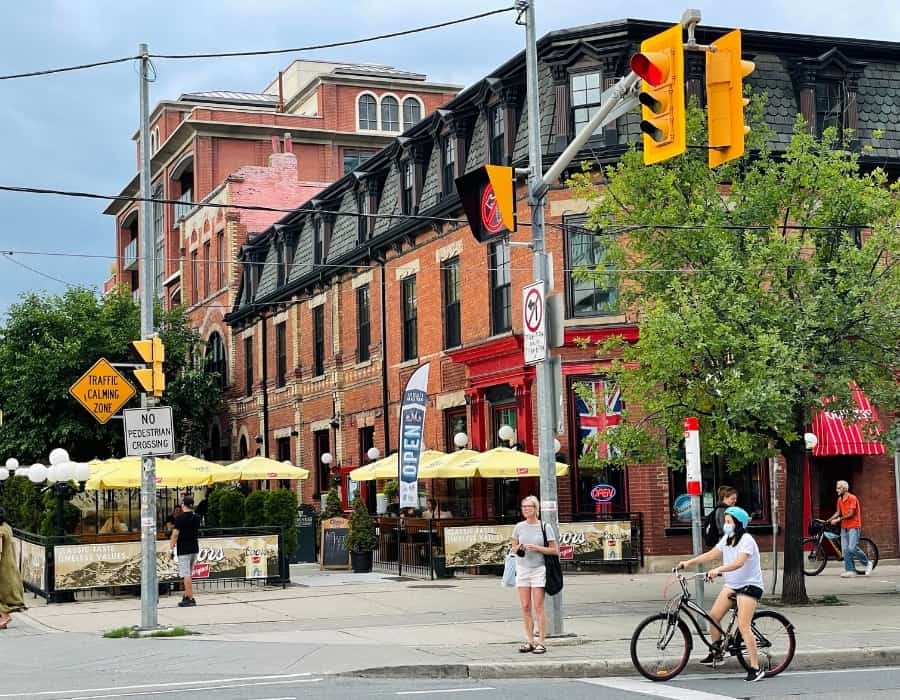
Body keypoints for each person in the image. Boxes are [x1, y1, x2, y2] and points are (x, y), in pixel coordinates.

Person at [678, 506, 766, 683]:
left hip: (749, 586)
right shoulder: (727, 539)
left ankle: (755, 668)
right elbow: (711, 554)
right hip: (732, 585)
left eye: (728, 522)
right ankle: (717, 652)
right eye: (725, 521)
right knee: (713, 616)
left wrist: (718, 570)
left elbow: (739, 563)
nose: (725, 525)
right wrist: (688, 563)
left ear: (738, 523)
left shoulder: (747, 540)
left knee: (744, 626)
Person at [510, 495, 558, 655]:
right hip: (522, 568)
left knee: (538, 606)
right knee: (525, 606)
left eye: (528, 507)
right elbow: (513, 547)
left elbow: (554, 550)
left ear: (536, 509)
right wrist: (519, 548)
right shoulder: (519, 527)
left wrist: (537, 548)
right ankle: (530, 640)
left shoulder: (545, 527)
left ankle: (541, 641)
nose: (525, 509)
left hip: (539, 569)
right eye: (523, 507)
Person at [829, 480, 872, 577]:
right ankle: (850, 571)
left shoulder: (852, 498)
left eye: (838, 488)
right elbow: (838, 512)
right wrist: (828, 520)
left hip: (854, 526)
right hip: (844, 527)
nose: (837, 490)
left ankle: (867, 563)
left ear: (844, 488)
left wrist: (838, 520)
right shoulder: (840, 500)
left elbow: (851, 513)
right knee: (845, 550)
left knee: (852, 548)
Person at [169, 496, 202, 607]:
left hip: (184, 550)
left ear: (183, 505)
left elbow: (175, 535)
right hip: (194, 549)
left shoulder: (180, 518)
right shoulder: (197, 517)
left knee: (186, 574)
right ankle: (186, 595)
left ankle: (190, 598)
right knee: (189, 573)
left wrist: (171, 549)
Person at [0, 507, 27, 629]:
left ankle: (4, 617)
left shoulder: (1, 531)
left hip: (3, 569)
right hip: (9, 566)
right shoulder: (7, 527)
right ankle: (2, 620)